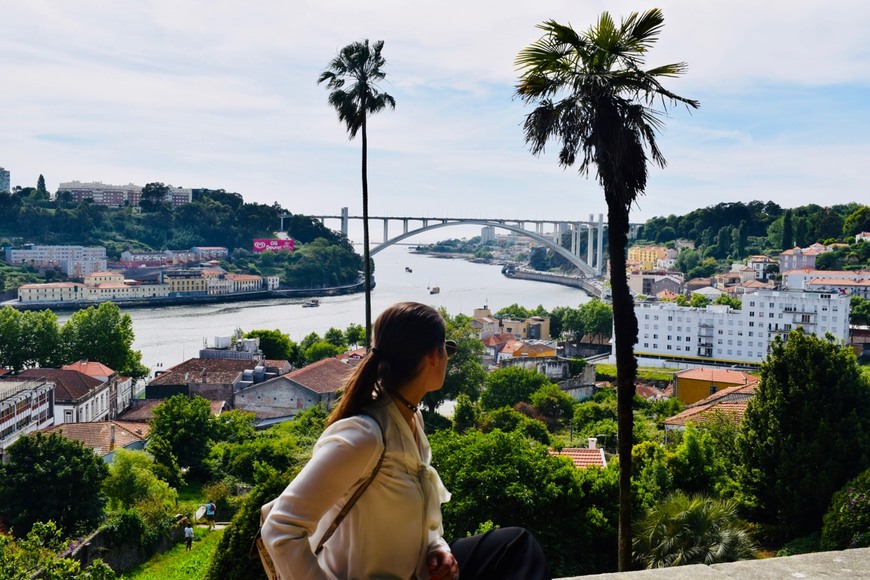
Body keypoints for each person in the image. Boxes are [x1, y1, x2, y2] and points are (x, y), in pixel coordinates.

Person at [261, 302, 550, 579]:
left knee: (515, 545)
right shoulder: (364, 435)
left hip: (414, 571)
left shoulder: (410, 418)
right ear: (433, 356)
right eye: (447, 348)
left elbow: (416, 515)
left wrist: (438, 548)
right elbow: (281, 527)